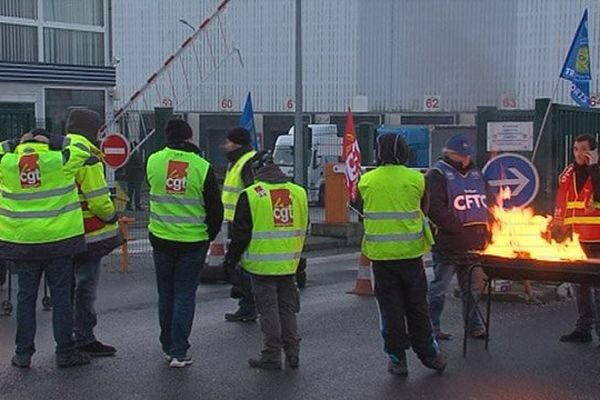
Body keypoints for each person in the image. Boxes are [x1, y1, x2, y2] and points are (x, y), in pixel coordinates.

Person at [0, 129, 91, 368]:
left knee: (25, 298)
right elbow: (83, 147)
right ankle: (65, 351)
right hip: (59, 242)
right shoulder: (59, 160)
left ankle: (22, 354)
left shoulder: (8, 163)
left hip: (23, 243)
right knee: (61, 298)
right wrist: (58, 141)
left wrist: (12, 143)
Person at [358, 133, 446, 376]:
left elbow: (360, 207)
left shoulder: (367, 180)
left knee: (390, 310)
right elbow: (424, 208)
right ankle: (430, 355)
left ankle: (397, 359)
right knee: (417, 307)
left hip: (381, 257)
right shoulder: (417, 179)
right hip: (411, 254)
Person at [147, 118, 223, 367]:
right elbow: (215, 208)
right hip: (193, 240)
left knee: (165, 294)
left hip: (161, 238)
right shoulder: (202, 166)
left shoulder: (154, 161)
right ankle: (179, 350)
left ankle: (167, 346)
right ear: (190, 138)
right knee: (184, 294)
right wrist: (209, 235)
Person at [223, 151, 308, 370]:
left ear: (255, 171)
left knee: (268, 310)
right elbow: (302, 226)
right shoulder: (298, 192)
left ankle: (271, 354)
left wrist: (230, 261)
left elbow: (241, 234)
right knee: (287, 309)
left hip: (261, 266)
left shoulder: (251, 195)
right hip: (289, 263)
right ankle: (293, 353)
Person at [65, 109, 122, 357]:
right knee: (85, 288)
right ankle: (85, 337)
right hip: (88, 233)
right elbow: (99, 202)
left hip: (59, 232)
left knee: (65, 288)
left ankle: (64, 339)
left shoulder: (58, 151)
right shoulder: (87, 156)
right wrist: (112, 215)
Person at [426, 134, 490, 341]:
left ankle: (474, 326)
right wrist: (457, 229)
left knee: (471, 289)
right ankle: (431, 327)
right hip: (449, 242)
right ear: (449, 154)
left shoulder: (476, 174)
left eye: (466, 155)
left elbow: (488, 202)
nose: (465, 159)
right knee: (439, 287)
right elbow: (434, 209)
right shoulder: (437, 174)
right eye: (460, 156)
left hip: (475, 243)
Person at [552, 134, 600, 343]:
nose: (579, 153)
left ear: (593, 151)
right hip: (575, 240)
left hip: (598, 239)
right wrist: (557, 227)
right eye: (576, 149)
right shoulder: (567, 173)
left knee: (598, 288)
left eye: (583, 149)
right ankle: (583, 329)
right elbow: (561, 202)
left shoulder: (597, 170)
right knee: (579, 286)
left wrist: (595, 167)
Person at [221, 127, 257, 322]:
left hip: (242, 220)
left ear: (236, 143)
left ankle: (248, 305)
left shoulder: (246, 162)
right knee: (241, 263)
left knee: (244, 263)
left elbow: (251, 192)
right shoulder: (237, 162)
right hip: (235, 219)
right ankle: (247, 302)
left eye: (227, 142)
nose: (225, 146)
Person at [125, 141, 145, 211]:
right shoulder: (136, 154)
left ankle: (128, 205)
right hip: (137, 175)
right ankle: (137, 205)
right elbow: (139, 164)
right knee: (137, 191)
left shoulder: (128, 154)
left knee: (130, 191)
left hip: (129, 174)